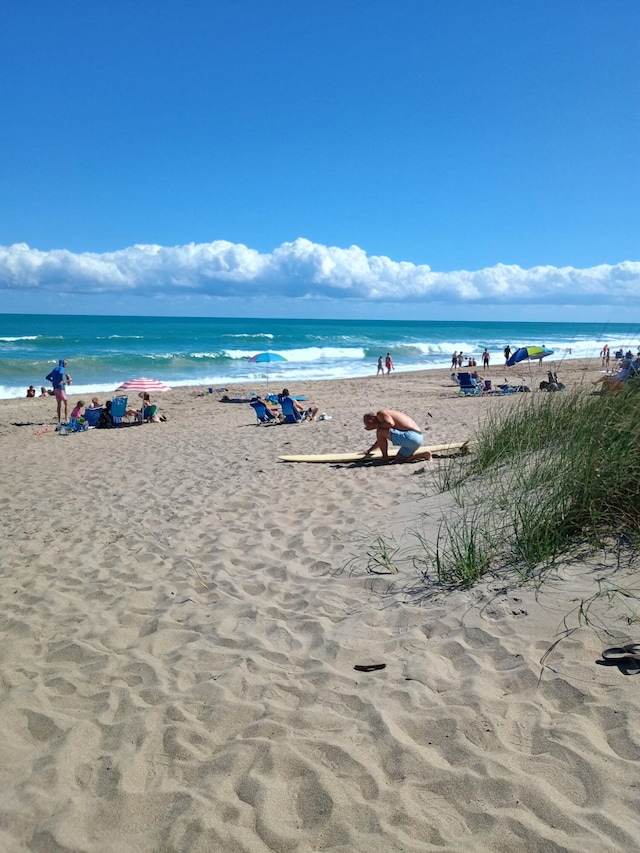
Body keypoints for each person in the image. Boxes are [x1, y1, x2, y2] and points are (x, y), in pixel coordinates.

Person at [362, 409, 428, 463]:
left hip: (411, 435)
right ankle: (424, 454)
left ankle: (385, 458)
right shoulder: (385, 421)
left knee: (379, 432)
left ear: (373, 418)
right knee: (399, 459)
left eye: (369, 423)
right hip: (418, 438)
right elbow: (380, 440)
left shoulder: (380, 413)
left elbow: (390, 424)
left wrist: (375, 426)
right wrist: (369, 450)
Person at [45, 358, 72, 423]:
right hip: (60, 388)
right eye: (65, 363)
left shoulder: (55, 369)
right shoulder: (61, 368)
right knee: (66, 402)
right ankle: (66, 419)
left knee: (59, 404)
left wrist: (53, 381)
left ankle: (59, 420)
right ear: (62, 363)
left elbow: (47, 377)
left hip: (55, 388)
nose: (66, 365)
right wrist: (61, 381)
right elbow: (60, 373)